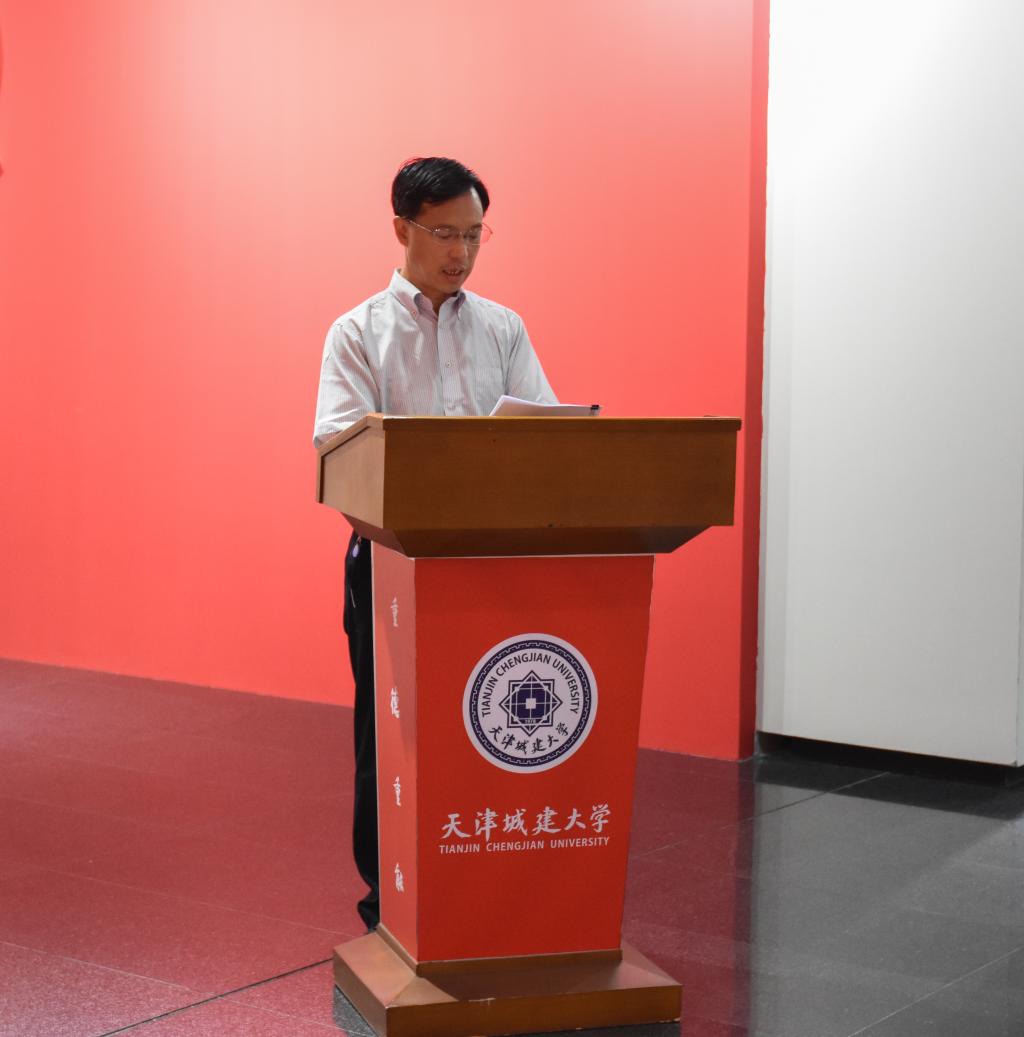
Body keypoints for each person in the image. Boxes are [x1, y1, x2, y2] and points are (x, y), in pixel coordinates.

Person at [312, 156, 557, 930]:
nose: (462, 251)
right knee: (389, 735)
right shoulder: (358, 333)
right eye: (446, 233)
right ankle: (386, 897)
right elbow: (339, 449)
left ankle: (483, 883)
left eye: (475, 235)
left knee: (486, 726)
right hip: (391, 561)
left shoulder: (503, 328)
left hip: (491, 561)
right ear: (402, 229)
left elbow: (547, 430)